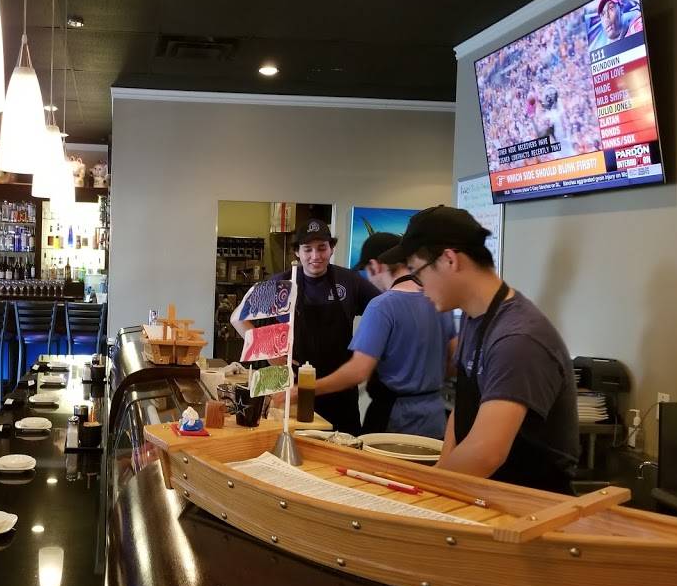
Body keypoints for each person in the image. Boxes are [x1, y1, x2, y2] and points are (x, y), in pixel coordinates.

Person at [400, 206, 578, 493]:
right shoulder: (474, 317)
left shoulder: (518, 339)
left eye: (417, 273)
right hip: (483, 492)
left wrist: (426, 491)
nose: (420, 287)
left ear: (449, 260)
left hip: (528, 502)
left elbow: (485, 453)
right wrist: (441, 469)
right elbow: (464, 409)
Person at [293, 232, 456, 438]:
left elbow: (358, 371)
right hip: (435, 416)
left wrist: (304, 390)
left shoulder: (382, 306)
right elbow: (453, 360)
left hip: (395, 418)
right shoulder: (439, 300)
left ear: (374, 266)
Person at [231, 218, 378, 434]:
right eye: (307, 249)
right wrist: (269, 349)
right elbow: (237, 318)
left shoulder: (350, 282)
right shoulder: (280, 285)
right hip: (293, 390)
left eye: (322, 248)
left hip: (338, 390)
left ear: (331, 248)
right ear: (297, 252)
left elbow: (382, 310)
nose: (315, 256)